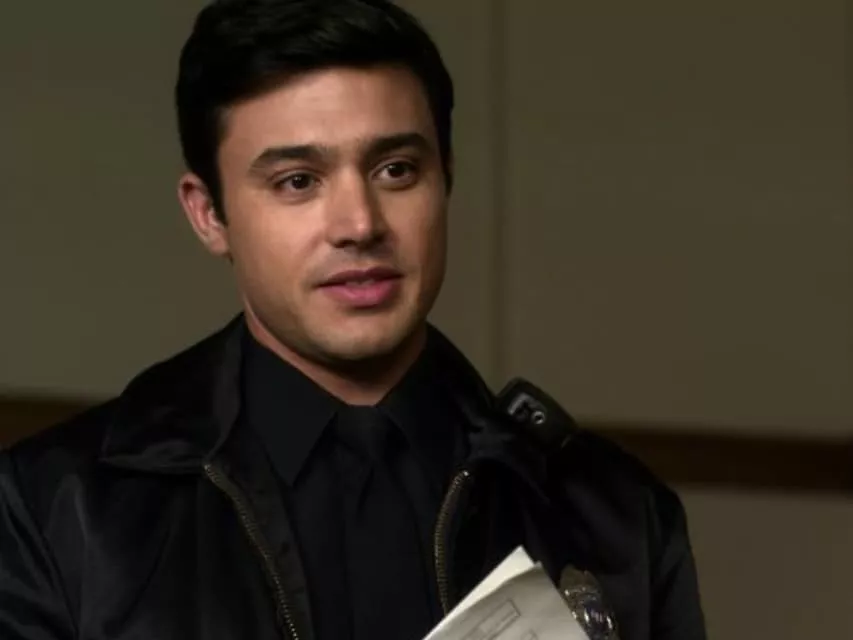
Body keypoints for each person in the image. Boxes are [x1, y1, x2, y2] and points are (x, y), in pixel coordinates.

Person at [0, 1, 706, 639]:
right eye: (297, 182)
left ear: (447, 175)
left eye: (396, 169)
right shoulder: (57, 509)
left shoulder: (612, 512)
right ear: (209, 214)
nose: (359, 224)